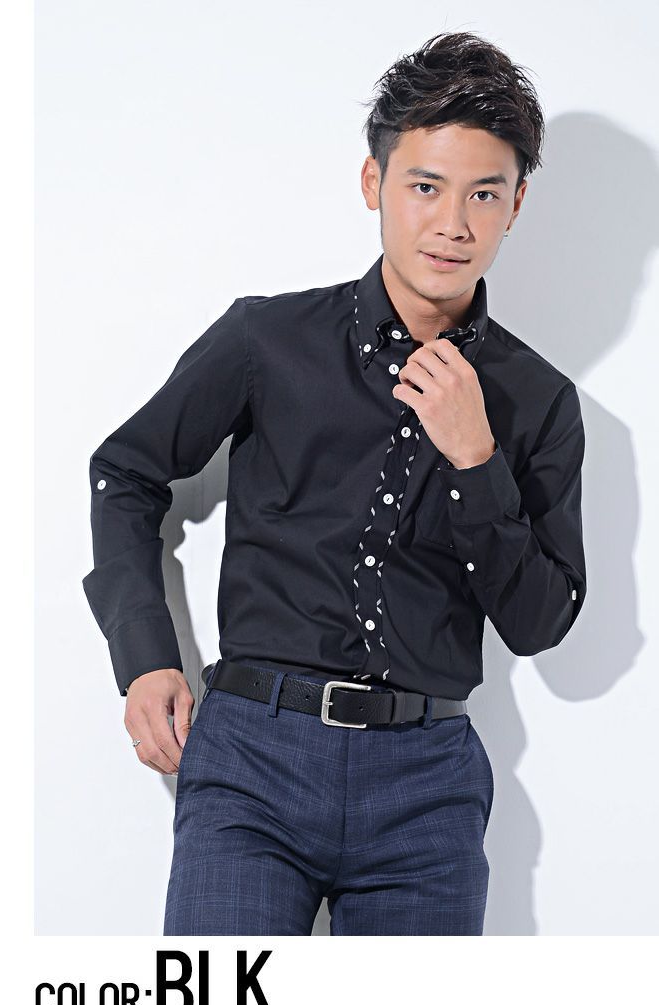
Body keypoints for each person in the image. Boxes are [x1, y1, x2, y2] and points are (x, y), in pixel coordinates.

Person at [82, 31, 587, 935]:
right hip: (252, 764)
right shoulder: (265, 340)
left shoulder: (537, 401)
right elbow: (125, 473)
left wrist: (476, 461)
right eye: (425, 187)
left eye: (484, 193)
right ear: (373, 183)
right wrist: (145, 656)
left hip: (427, 790)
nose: (454, 223)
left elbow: (541, 622)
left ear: (517, 204)